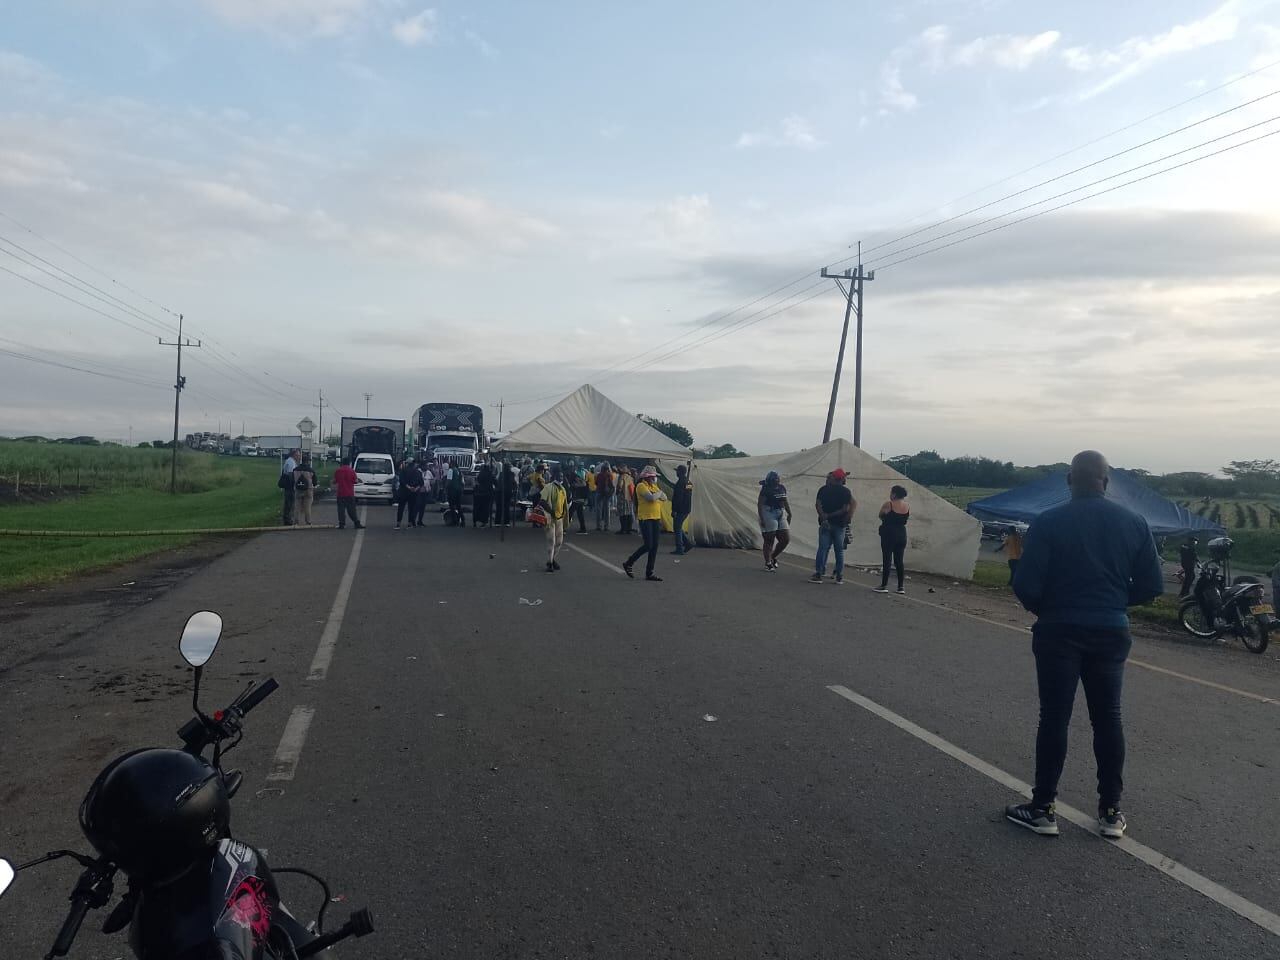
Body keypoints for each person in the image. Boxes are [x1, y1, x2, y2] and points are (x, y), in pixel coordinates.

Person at [1006, 450, 1163, 840]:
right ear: (1106, 482)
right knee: (1108, 718)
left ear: (1068, 481)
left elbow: (1025, 585)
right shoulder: (1134, 522)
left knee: (1054, 718)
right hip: (1110, 630)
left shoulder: (1049, 522)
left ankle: (1043, 808)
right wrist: (1112, 603)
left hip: (1059, 630)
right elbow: (1153, 586)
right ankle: (1111, 811)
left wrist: (1051, 609)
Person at [810, 469, 854, 584]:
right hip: (839, 524)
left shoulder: (823, 490)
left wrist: (824, 517)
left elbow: (818, 504)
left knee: (823, 548)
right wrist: (832, 515)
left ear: (833, 478)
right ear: (842, 479)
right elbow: (845, 509)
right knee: (839, 551)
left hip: (825, 524)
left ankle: (819, 573)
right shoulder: (846, 492)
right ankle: (839, 575)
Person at [623, 466, 667, 581]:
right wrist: (659, 493)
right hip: (646, 518)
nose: (654, 479)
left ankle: (649, 572)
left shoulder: (653, 486)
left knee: (654, 546)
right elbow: (651, 498)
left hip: (655, 518)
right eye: (653, 477)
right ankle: (629, 562)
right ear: (648, 477)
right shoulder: (641, 486)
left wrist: (659, 493)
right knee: (648, 545)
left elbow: (665, 498)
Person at [874, 485, 910, 594]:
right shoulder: (906, 506)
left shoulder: (889, 504)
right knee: (899, 561)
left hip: (889, 533)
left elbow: (880, 515)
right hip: (902, 534)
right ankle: (900, 587)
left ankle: (884, 585)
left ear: (894, 494)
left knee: (887, 559)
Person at [533, 468, 568, 572]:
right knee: (551, 541)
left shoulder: (563, 489)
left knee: (559, 542)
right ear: (554, 477)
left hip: (559, 519)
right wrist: (551, 511)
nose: (561, 478)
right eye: (559, 476)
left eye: (562, 477)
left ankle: (552, 560)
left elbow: (565, 503)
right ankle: (550, 562)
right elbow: (542, 501)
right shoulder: (548, 487)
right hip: (550, 519)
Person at [757, 471, 792, 571]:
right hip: (769, 511)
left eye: (777, 478)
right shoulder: (766, 490)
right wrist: (762, 518)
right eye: (775, 479)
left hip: (780, 512)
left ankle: (773, 556)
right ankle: (768, 562)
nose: (777, 480)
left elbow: (784, 500)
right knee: (769, 538)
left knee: (785, 538)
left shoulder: (781, 488)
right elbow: (760, 504)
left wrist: (789, 512)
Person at [333, 457, 363, 529]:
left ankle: (342, 524)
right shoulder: (352, 471)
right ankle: (356, 523)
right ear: (349, 463)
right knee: (352, 509)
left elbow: (335, 481)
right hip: (349, 493)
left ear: (342, 463)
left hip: (340, 493)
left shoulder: (338, 471)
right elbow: (355, 481)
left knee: (341, 509)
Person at [670, 464, 694, 555]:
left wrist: (674, 510)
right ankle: (687, 544)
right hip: (687, 508)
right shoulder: (689, 483)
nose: (676, 473)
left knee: (677, 528)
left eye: (677, 471)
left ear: (680, 472)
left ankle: (679, 548)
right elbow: (688, 496)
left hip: (680, 509)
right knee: (678, 527)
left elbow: (678, 498)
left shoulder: (680, 483)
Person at [394, 460, 424, 529]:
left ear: (408, 464)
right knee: (411, 508)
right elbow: (421, 483)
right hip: (413, 493)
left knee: (401, 508)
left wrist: (409, 487)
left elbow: (402, 481)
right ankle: (409, 524)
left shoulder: (403, 470)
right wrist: (415, 489)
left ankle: (398, 524)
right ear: (414, 465)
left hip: (404, 492)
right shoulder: (418, 472)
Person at [293, 456, 317, 526]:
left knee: (297, 506)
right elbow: (315, 482)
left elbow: (292, 480)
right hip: (308, 490)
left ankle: (296, 522)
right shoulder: (311, 470)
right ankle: (308, 522)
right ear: (308, 461)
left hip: (298, 490)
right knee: (308, 507)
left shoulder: (295, 470)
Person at [279, 449, 299, 526]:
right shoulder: (291, 462)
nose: (299, 456)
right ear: (294, 455)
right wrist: (294, 485)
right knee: (290, 503)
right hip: (289, 486)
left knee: (288, 503)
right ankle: (288, 520)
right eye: (298, 455)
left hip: (288, 485)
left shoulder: (289, 461)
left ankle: (287, 519)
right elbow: (291, 475)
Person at [567, 466, 589, 534]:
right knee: (580, 514)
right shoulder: (579, 478)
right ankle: (583, 529)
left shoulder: (575, 479)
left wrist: (574, 486)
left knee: (570, 512)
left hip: (577, 498)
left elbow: (579, 486)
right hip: (580, 499)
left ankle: (563, 527)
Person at [474, 461, 495, 528]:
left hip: (479, 492)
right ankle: (484, 522)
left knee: (478, 507)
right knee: (486, 508)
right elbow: (495, 482)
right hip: (488, 492)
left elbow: (478, 481)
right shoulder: (490, 474)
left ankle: (475, 521)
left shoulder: (480, 474)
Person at [616, 465, 636, 535]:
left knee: (622, 514)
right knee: (629, 513)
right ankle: (629, 529)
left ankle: (623, 529)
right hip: (630, 497)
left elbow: (620, 487)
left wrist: (617, 491)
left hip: (622, 498)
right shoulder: (630, 477)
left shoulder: (621, 477)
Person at [595, 462, 614, 531]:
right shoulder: (610, 475)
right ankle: (606, 526)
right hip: (607, 494)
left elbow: (596, 483)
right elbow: (612, 484)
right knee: (607, 510)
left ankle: (598, 526)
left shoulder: (599, 475)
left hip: (599, 492)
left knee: (598, 510)